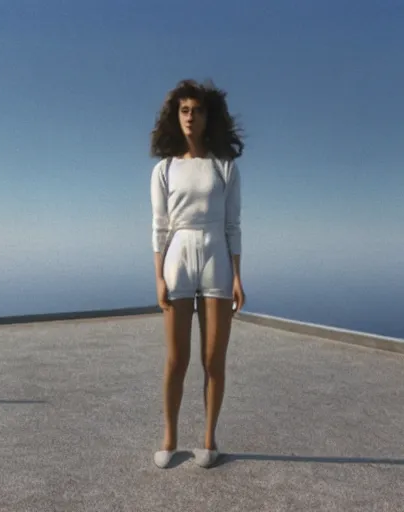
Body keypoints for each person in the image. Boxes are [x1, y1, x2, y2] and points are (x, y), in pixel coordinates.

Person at [149, 79, 246, 469]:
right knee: (177, 359)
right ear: (177, 116)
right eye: (184, 110)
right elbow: (159, 227)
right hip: (177, 259)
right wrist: (158, 276)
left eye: (198, 110)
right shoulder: (165, 169)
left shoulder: (225, 166)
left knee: (213, 359)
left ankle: (209, 440)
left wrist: (238, 275)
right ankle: (170, 438)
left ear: (209, 117)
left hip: (216, 259)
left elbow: (233, 225)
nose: (191, 117)